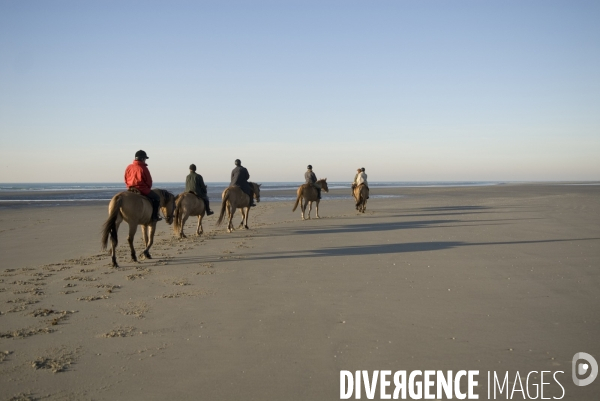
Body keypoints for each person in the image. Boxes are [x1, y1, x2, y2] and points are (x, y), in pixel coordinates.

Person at [124, 150, 161, 222]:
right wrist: (147, 188)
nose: (145, 160)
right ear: (142, 159)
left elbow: (125, 178)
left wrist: (128, 186)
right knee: (157, 198)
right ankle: (154, 216)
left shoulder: (129, 167)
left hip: (130, 189)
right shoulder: (143, 168)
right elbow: (149, 181)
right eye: (145, 159)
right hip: (142, 189)